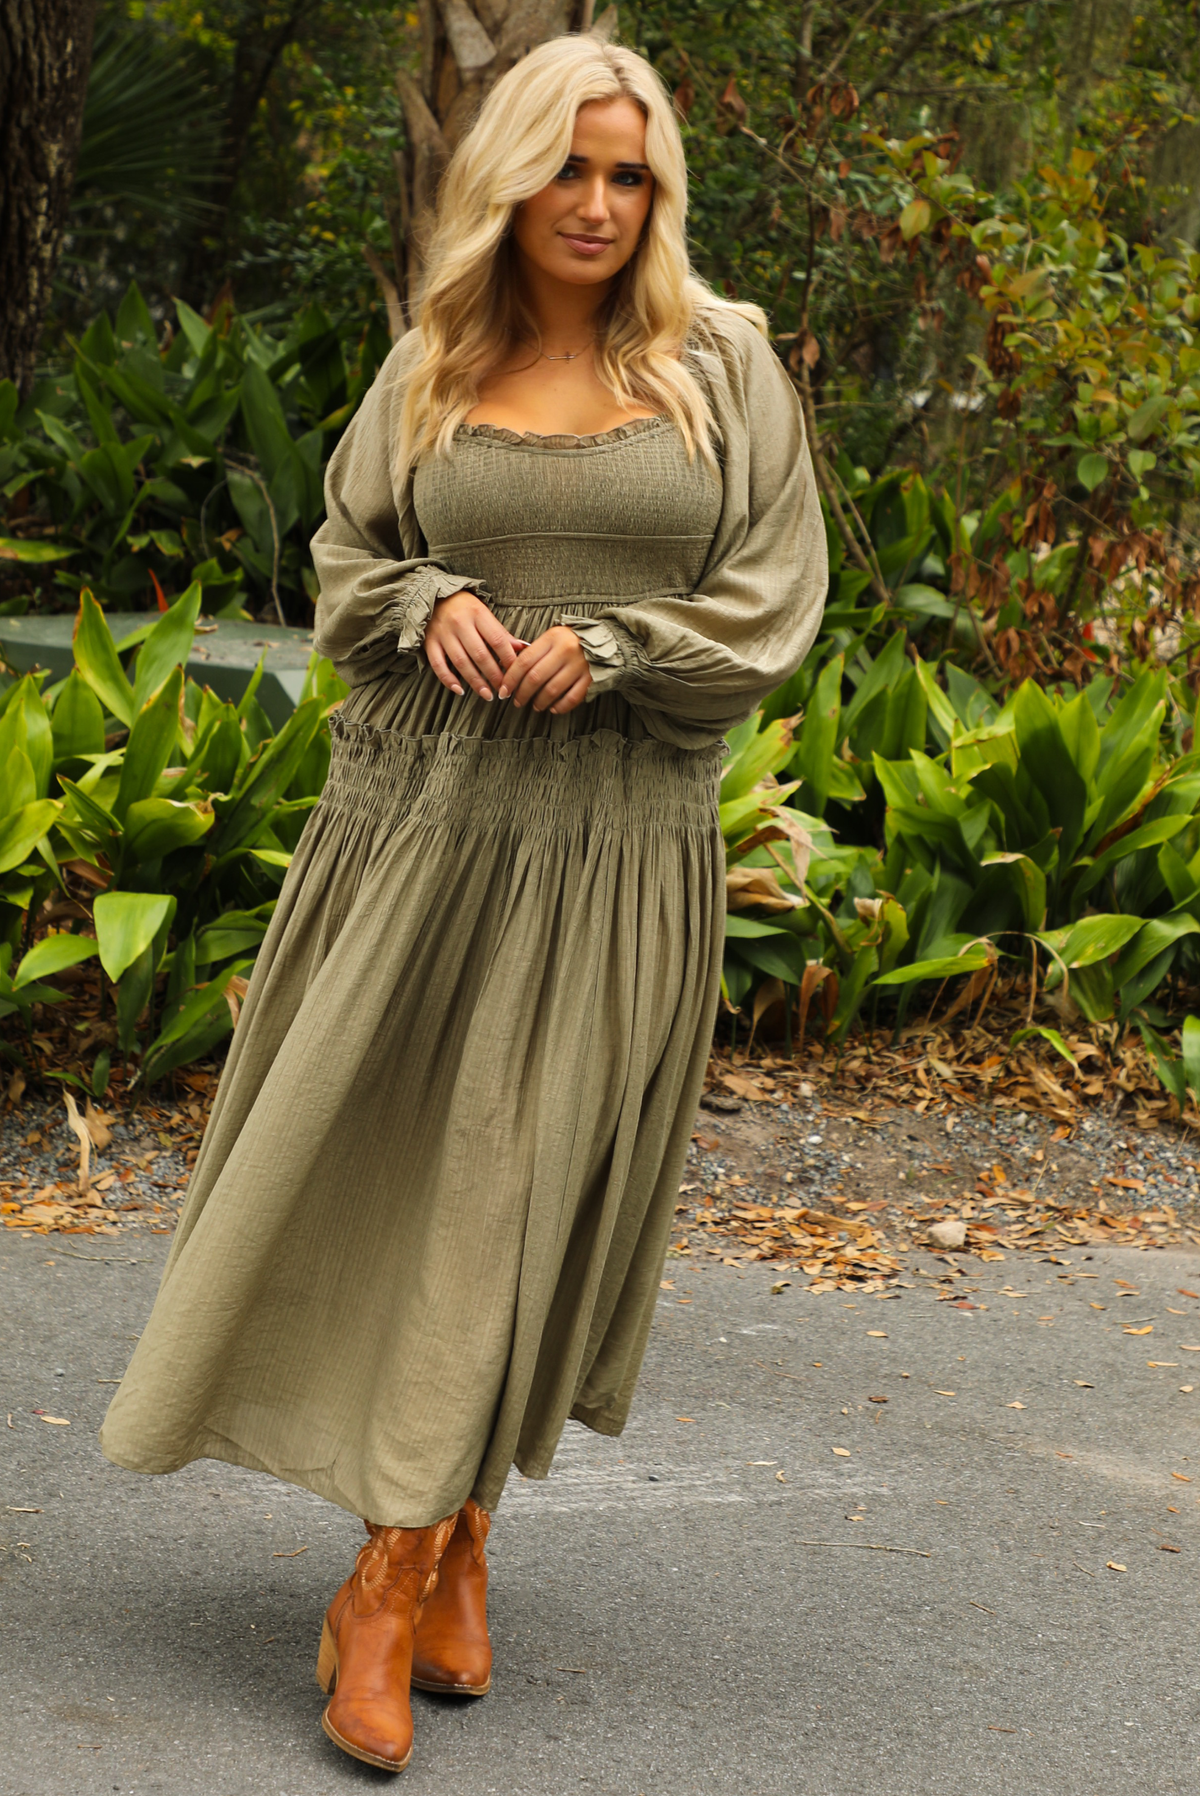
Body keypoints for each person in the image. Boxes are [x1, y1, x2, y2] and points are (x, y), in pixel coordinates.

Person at [100, 31, 827, 1774]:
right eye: (567, 168)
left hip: (614, 848)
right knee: (408, 1187)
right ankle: (434, 1540)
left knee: (528, 1196)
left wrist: (629, 646)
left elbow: (776, 596)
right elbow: (347, 557)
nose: (595, 203)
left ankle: (399, 1560)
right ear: (506, 173)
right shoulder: (432, 361)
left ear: (659, 192)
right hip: (419, 835)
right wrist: (426, 600)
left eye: (627, 173)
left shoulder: (721, 363)